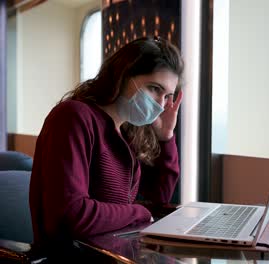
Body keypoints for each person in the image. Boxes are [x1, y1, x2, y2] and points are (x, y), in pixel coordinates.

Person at [29, 36, 184, 256]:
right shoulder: (74, 116)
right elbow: (70, 215)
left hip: (113, 255)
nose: (160, 104)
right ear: (123, 75)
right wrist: (139, 212)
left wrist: (166, 137)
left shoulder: (126, 133)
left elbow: (157, 201)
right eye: (154, 88)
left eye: (167, 95)